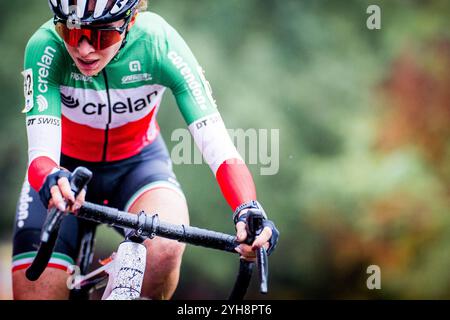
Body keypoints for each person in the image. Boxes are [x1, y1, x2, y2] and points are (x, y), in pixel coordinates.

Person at [13, 0, 279, 300]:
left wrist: (247, 206)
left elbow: (216, 143)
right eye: (71, 32)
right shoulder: (45, 46)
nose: (84, 49)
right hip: (65, 173)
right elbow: (41, 157)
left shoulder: (158, 44)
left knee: (166, 245)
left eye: (102, 35)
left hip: (138, 167)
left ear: (130, 20)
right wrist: (51, 178)